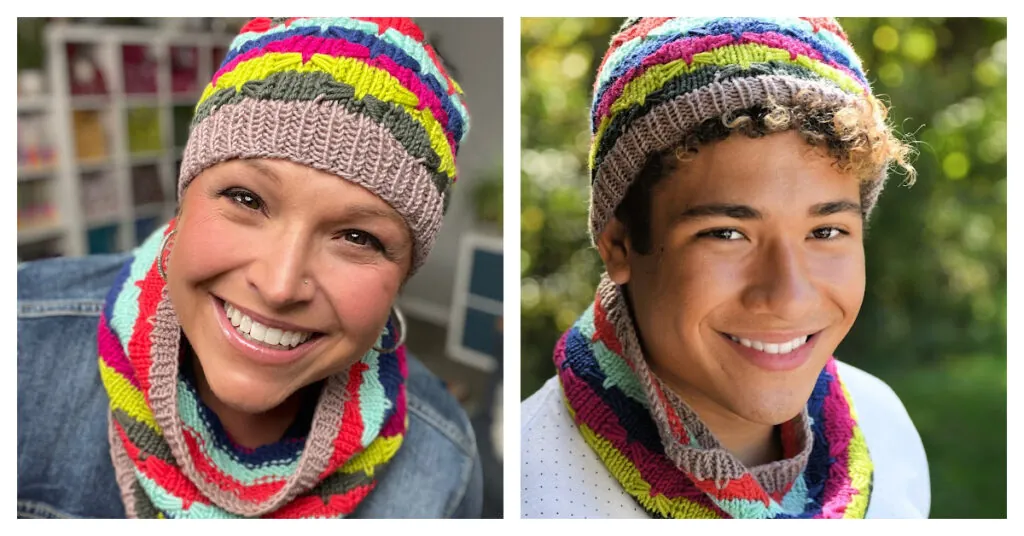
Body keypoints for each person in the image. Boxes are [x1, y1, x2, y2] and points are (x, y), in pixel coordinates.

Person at [18, 17, 482, 519]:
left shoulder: (442, 463)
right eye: (246, 198)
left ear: (404, 270)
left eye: (357, 237)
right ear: (185, 196)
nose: (280, 285)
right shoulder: (23, 344)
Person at [521, 17, 929, 519]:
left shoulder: (885, 432)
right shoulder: (531, 490)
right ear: (619, 245)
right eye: (726, 234)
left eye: (825, 232)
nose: (789, 297)